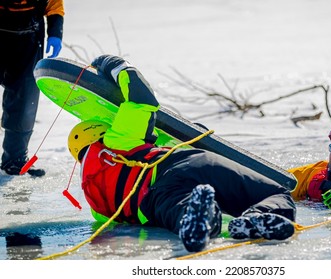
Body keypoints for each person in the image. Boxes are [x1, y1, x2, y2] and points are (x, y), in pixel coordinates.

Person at [67, 55, 297, 252]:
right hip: (191, 162)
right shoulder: (116, 138)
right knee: (277, 193)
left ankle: (204, 218)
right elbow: (141, 97)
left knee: (183, 216)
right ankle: (254, 216)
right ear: (98, 131)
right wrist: (114, 64)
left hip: (158, 201)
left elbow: (121, 225)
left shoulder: (95, 204)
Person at [0, 0, 65, 177]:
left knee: (25, 101)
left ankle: (15, 159)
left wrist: (55, 33)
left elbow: (54, 6)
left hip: (29, 39)